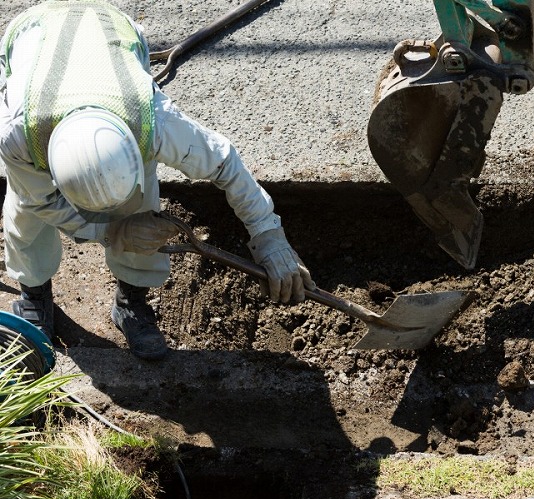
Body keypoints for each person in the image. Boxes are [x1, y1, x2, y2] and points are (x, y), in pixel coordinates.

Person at [0, 0, 315, 360]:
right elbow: (40, 200)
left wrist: (268, 236)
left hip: (112, 31)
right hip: (31, 36)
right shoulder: (16, 134)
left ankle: (130, 301)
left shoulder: (155, 123)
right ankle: (34, 296)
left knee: (141, 208)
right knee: (26, 210)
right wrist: (111, 232)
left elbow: (225, 162)